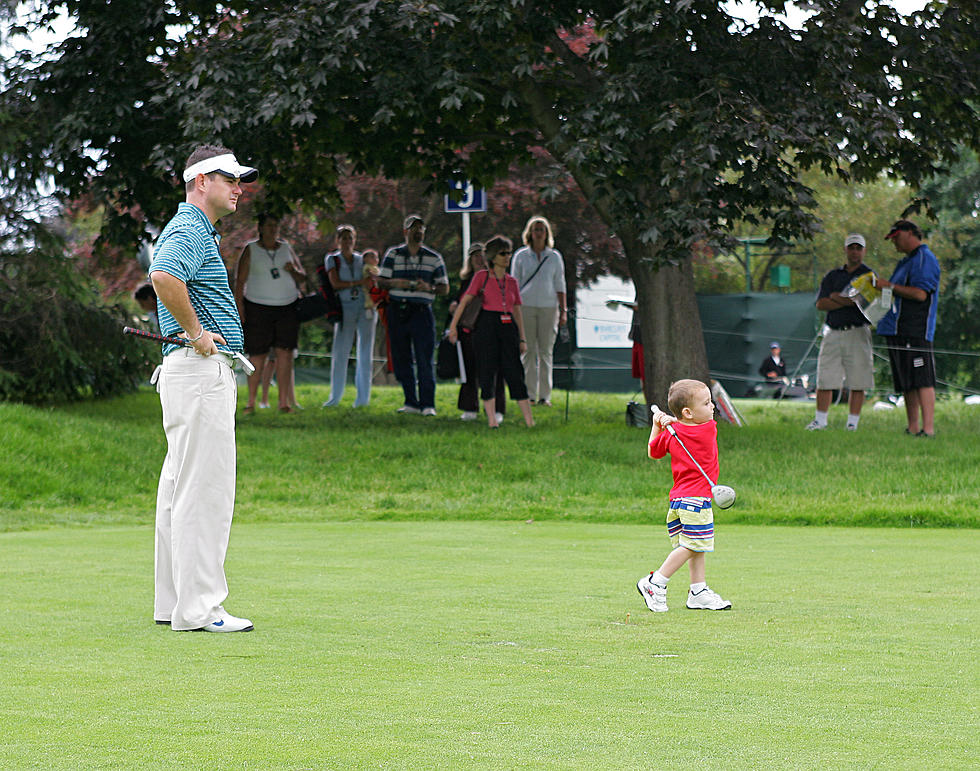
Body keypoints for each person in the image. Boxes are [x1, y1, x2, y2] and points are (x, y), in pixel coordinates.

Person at [148, 144, 258, 633]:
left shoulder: (197, 230)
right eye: (229, 179)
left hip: (188, 373)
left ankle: (174, 603)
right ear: (199, 182)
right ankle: (199, 609)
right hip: (198, 371)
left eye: (239, 180)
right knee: (204, 490)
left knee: (179, 486)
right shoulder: (190, 227)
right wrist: (197, 332)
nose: (239, 188)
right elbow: (163, 276)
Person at [637, 379, 732, 613]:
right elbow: (664, 446)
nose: (713, 407)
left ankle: (698, 591)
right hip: (695, 500)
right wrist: (668, 424)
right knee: (693, 545)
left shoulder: (675, 432)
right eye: (707, 403)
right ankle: (655, 582)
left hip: (680, 501)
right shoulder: (707, 427)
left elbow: (653, 451)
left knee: (695, 546)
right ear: (688, 412)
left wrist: (658, 425)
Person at [448, 235, 535, 428]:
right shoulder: (482, 277)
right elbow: (465, 301)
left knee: (515, 372)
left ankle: (529, 421)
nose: (507, 257)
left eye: (509, 253)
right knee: (487, 371)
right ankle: (492, 420)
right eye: (503, 253)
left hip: (507, 326)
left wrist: (522, 338)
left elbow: (517, 310)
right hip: (487, 325)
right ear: (493, 257)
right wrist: (453, 327)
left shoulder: (512, 282)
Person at [377, 214, 449, 415]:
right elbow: (380, 281)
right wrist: (396, 284)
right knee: (402, 358)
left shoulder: (433, 257)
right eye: (413, 228)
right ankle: (410, 401)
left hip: (421, 311)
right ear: (405, 231)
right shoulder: (393, 254)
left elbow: (444, 288)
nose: (418, 232)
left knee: (424, 358)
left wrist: (430, 288)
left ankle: (428, 404)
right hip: (398, 309)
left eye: (421, 229)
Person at [234, 213, 306, 413]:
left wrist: (292, 270)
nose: (273, 229)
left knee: (285, 353)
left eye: (276, 225)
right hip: (257, 307)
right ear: (261, 228)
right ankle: (251, 402)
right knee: (257, 355)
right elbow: (240, 281)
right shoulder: (251, 250)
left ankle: (284, 403)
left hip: (287, 307)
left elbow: (302, 277)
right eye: (269, 225)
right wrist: (239, 308)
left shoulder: (286, 249)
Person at [875, 219, 941, 437]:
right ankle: (912, 427)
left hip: (916, 330)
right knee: (906, 381)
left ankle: (928, 429)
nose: (894, 243)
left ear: (911, 233)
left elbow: (920, 294)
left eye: (897, 238)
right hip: (896, 330)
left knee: (922, 378)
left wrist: (890, 286)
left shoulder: (925, 259)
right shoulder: (905, 262)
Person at [806, 233, 875, 431]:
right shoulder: (833, 276)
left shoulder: (869, 276)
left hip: (858, 332)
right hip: (834, 331)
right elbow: (821, 303)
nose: (855, 252)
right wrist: (848, 301)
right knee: (825, 377)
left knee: (858, 380)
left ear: (863, 251)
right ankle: (820, 421)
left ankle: (852, 424)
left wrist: (837, 298)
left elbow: (866, 305)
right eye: (851, 248)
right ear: (845, 250)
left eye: (858, 248)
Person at [511, 216, 567, 407]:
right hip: (525, 307)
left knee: (545, 352)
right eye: (535, 229)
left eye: (542, 229)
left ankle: (545, 396)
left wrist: (563, 310)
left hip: (549, 307)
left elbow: (560, 284)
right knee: (528, 351)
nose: (538, 233)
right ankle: (529, 395)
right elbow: (514, 284)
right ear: (530, 232)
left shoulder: (554, 257)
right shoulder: (520, 256)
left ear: (546, 233)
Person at [449, 242, 505, 422]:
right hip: (468, 330)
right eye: (474, 256)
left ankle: (497, 409)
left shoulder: (496, 277)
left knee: (493, 370)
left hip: (490, 329)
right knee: (469, 370)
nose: (478, 259)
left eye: (481, 255)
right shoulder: (466, 281)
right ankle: (469, 407)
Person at [323, 225, 378, 407]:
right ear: (337, 241)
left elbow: (372, 279)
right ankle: (335, 397)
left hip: (364, 307)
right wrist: (358, 282)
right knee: (341, 353)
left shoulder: (361, 259)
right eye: (344, 238)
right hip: (345, 307)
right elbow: (335, 283)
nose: (347, 242)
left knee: (365, 353)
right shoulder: (333, 259)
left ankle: (363, 400)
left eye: (350, 239)